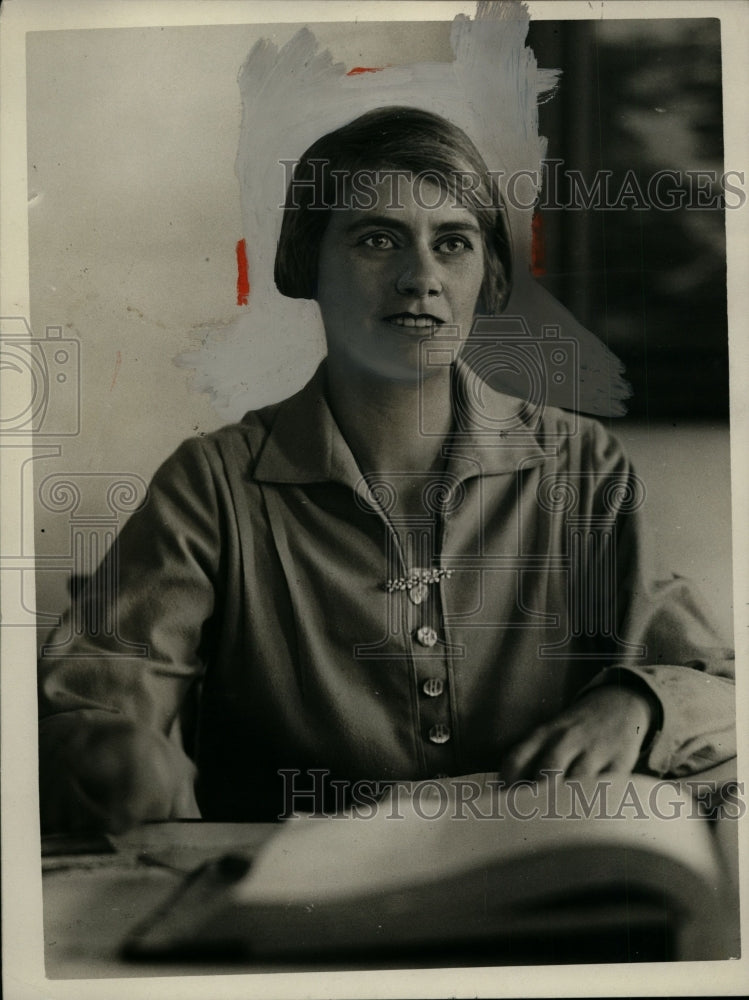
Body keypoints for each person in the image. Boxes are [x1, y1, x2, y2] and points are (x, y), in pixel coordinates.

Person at [38, 107, 735, 833]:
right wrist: (116, 760)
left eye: (453, 244)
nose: (420, 278)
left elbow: (717, 687)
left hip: (530, 875)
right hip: (294, 909)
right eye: (377, 240)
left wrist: (637, 703)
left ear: (489, 277)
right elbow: (91, 707)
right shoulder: (212, 486)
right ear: (307, 262)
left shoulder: (582, 466)